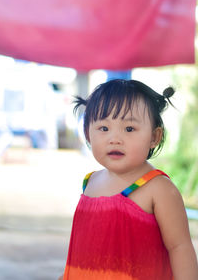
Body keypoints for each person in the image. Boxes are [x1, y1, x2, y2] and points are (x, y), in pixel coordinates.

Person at [59, 79, 198, 280]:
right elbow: (83, 249)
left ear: (154, 137)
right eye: (104, 129)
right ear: (88, 135)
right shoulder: (90, 182)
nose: (114, 138)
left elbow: (180, 247)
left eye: (129, 129)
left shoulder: (158, 188)